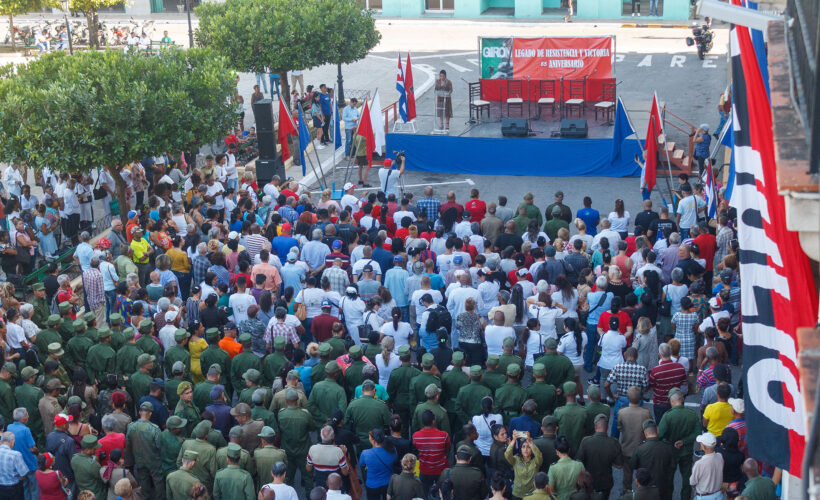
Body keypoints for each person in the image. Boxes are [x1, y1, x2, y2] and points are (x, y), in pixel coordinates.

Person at [690, 432, 723, 500]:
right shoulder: (720, 456)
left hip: (704, 497)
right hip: (719, 495)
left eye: (701, 443)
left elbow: (692, 482)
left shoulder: (699, 464)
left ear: (704, 447)